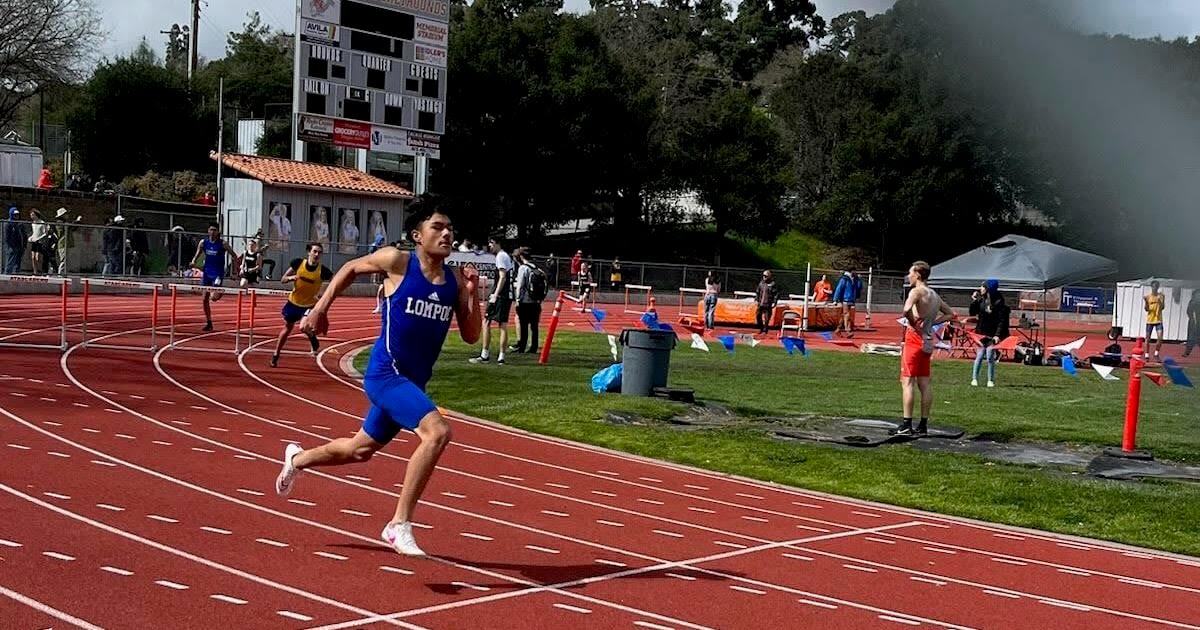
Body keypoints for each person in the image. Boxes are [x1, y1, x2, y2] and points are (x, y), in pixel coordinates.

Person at [274, 197, 482, 557]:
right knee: (438, 432)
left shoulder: (453, 282)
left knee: (360, 450)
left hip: (412, 383)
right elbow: (350, 268)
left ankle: (297, 459)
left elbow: (471, 335)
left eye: (450, 229)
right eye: (438, 227)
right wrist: (320, 310)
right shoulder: (397, 262)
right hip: (386, 374)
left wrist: (473, 297)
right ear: (418, 235)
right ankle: (398, 523)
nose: (447, 233)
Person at [895, 261, 956, 437]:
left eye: (910, 273)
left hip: (915, 339)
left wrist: (915, 324)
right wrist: (933, 323)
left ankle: (907, 424)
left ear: (918, 275)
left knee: (907, 382)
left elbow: (906, 310)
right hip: (928, 341)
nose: (908, 276)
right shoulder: (935, 295)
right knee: (925, 383)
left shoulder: (916, 292)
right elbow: (950, 313)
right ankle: (923, 424)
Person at [270, 242, 333, 367]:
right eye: (314, 251)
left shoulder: (323, 270)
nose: (317, 254)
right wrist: (290, 278)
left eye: (319, 252)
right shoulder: (298, 263)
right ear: (308, 252)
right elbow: (283, 279)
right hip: (293, 302)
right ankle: (276, 354)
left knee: (303, 327)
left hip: (309, 304)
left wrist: (324, 295)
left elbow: (334, 282)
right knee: (287, 328)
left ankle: (312, 338)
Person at [470, 237, 513, 365]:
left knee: (487, 321)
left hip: (501, 295)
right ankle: (501, 357)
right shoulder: (506, 256)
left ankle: (485, 355)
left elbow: (503, 277)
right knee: (503, 324)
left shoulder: (501, 256)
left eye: (491, 243)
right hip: (507, 295)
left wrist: (495, 294)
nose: (489, 246)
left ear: (497, 243)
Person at [192, 223, 239, 332]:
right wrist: (194, 261)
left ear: (218, 232)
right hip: (207, 273)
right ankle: (209, 322)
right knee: (204, 299)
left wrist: (234, 271)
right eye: (211, 230)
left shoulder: (223, 244)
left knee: (214, 297)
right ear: (208, 231)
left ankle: (220, 291)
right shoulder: (203, 243)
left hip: (217, 274)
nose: (212, 232)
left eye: (215, 230)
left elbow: (234, 255)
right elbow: (197, 254)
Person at [969, 279, 1010, 387]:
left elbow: (1001, 321)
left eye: (983, 287)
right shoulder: (981, 300)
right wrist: (974, 301)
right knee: (980, 355)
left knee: (990, 356)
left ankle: (990, 380)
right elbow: (972, 312)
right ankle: (974, 378)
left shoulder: (999, 302)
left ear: (989, 289)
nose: (980, 289)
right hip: (981, 333)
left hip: (992, 333)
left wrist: (997, 335)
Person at [511, 247, 545, 354]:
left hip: (525, 301)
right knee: (534, 326)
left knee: (524, 325)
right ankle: (533, 347)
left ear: (521, 257)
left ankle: (522, 347)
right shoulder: (537, 268)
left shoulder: (523, 268)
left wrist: (517, 300)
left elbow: (520, 286)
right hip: (535, 301)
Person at [832, 271, 862, 337]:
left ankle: (838, 329)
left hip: (851, 299)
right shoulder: (844, 279)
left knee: (844, 315)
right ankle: (848, 330)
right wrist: (835, 299)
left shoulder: (855, 279)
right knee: (847, 314)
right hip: (845, 299)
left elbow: (859, 287)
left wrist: (859, 279)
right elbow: (839, 289)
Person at [1144, 280, 1166, 360]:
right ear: (1151, 287)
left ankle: (1156, 354)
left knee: (1160, 338)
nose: (1155, 288)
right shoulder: (1148, 296)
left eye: (1156, 286)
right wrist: (1146, 302)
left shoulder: (1161, 296)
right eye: (1153, 286)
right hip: (1150, 320)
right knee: (1147, 338)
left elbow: (1163, 307)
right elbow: (1146, 309)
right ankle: (1146, 355)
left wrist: (1160, 301)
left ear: (1158, 287)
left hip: (1158, 320)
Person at [755, 270, 779, 335]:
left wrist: (774, 302)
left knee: (767, 318)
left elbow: (776, 294)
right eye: (763, 276)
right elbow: (758, 292)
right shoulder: (761, 283)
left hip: (768, 304)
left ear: (769, 276)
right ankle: (761, 328)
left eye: (765, 276)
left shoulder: (773, 284)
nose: (764, 277)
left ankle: (765, 330)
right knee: (758, 316)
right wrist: (756, 299)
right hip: (761, 303)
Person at [4, 206, 26, 274]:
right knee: (10, 261)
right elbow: (7, 237)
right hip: (12, 247)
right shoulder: (8, 224)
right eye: (15, 215)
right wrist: (11, 246)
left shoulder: (19, 224)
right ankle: (7, 274)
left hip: (19, 246)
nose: (16, 216)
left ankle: (16, 273)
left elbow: (24, 235)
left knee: (18, 262)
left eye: (17, 215)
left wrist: (24, 245)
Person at [27, 209, 49, 274]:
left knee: (38, 257)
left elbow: (45, 233)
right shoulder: (33, 223)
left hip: (40, 242)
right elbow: (34, 233)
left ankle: (42, 270)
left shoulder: (42, 222)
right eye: (31, 215)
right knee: (33, 257)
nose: (31, 216)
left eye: (33, 215)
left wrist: (39, 238)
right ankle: (35, 271)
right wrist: (31, 238)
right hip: (34, 241)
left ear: (36, 215)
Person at [1184, 290, 1200, 358]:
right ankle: (1187, 353)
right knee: (1190, 338)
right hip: (1192, 323)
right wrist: (1192, 319)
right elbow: (1188, 311)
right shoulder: (1192, 302)